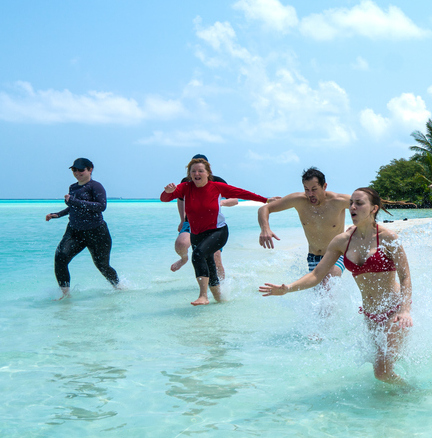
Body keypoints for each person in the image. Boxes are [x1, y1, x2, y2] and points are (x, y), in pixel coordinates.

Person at [260, 188, 412, 385]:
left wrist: (405, 309)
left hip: (395, 311)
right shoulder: (342, 241)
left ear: (374, 209)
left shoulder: (388, 238)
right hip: (370, 315)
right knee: (383, 366)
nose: (353, 207)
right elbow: (316, 275)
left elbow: (405, 277)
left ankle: (412, 392)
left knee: (381, 372)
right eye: (351, 203)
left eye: (359, 203)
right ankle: (403, 392)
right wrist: (288, 288)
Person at [160, 157, 267, 305]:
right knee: (209, 264)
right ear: (189, 174)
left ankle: (203, 296)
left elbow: (242, 193)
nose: (196, 173)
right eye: (193, 171)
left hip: (217, 231)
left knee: (198, 255)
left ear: (208, 173)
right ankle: (220, 300)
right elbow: (164, 198)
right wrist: (167, 191)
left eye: (200, 171)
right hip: (197, 233)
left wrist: (266, 200)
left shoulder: (216, 186)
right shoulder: (185, 187)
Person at [257, 167, 350, 281]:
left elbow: (366, 209)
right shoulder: (298, 200)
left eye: (314, 189)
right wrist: (265, 229)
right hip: (313, 257)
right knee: (318, 291)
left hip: (337, 253)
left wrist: (356, 228)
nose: (310, 194)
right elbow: (264, 209)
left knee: (328, 283)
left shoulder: (339, 201)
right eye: (306, 189)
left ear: (324, 186)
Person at [46, 157, 119, 298]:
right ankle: (65, 295)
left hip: (97, 232)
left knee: (102, 266)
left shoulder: (96, 186)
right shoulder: (73, 188)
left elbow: (101, 206)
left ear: (90, 169)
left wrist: (73, 200)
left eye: (81, 170)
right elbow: (73, 207)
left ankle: (118, 287)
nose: (77, 173)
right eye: (74, 169)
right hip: (74, 231)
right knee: (60, 258)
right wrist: (58, 214)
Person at [170, 153, 238, 278]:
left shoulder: (217, 181)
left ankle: (221, 285)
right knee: (180, 244)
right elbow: (180, 199)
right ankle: (184, 259)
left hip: (213, 225)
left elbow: (234, 200)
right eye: (193, 169)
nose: (196, 173)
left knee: (215, 258)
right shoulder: (186, 182)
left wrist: (220, 202)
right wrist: (182, 220)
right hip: (191, 222)